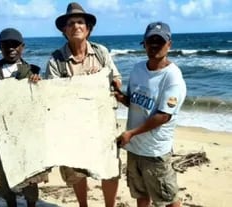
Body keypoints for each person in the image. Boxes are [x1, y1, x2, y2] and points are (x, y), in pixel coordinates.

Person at [45, 2, 122, 207]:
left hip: (102, 123)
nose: (76, 26)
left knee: (110, 169)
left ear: (88, 28)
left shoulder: (101, 52)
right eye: (71, 23)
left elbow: (116, 79)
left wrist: (112, 85)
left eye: (80, 22)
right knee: (76, 172)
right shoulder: (56, 60)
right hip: (72, 127)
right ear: (64, 30)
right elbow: (52, 95)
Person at [114, 22, 186, 207]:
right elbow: (134, 101)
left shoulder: (172, 77)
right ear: (144, 43)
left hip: (155, 151)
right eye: (150, 40)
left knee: (167, 197)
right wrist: (120, 95)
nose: (154, 45)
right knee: (141, 194)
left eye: (159, 41)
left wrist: (130, 133)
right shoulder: (138, 69)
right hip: (134, 148)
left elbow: (163, 116)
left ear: (169, 44)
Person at [0, 28, 48, 207]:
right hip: (1, 134)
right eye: (6, 45)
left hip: (26, 133)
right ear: (0, 47)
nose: (11, 48)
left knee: (30, 174)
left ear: (23, 47)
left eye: (15, 44)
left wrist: (38, 85)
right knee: (6, 174)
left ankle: (31, 203)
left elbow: (40, 103)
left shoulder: (33, 70)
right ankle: (11, 204)